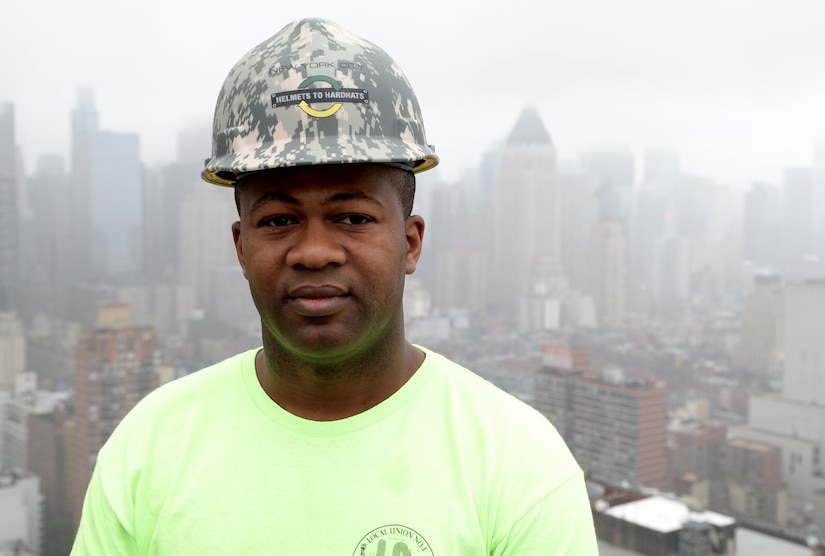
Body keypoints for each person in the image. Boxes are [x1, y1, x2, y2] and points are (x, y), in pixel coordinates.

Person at [72, 18, 598, 554]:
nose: (314, 251)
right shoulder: (149, 449)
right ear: (240, 248)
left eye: (351, 217)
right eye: (278, 220)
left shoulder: (519, 464)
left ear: (411, 243)